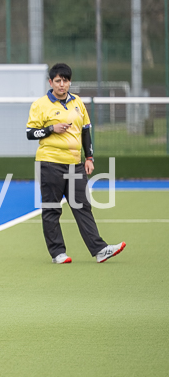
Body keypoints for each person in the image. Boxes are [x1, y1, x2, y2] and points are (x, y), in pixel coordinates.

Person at [26, 62, 126, 264]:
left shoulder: (78, 102)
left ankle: (100, 250)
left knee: (82, 206)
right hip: (50, 163)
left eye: (65, 80)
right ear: (50, 82)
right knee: (52, 208)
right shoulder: (40, 104)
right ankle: (58, 253)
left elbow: (86, 131)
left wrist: (89, 158)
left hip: (76, 164)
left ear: (70, 82)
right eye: (57, 81)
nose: (61, 84)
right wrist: (51, 129)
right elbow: (30, 133)